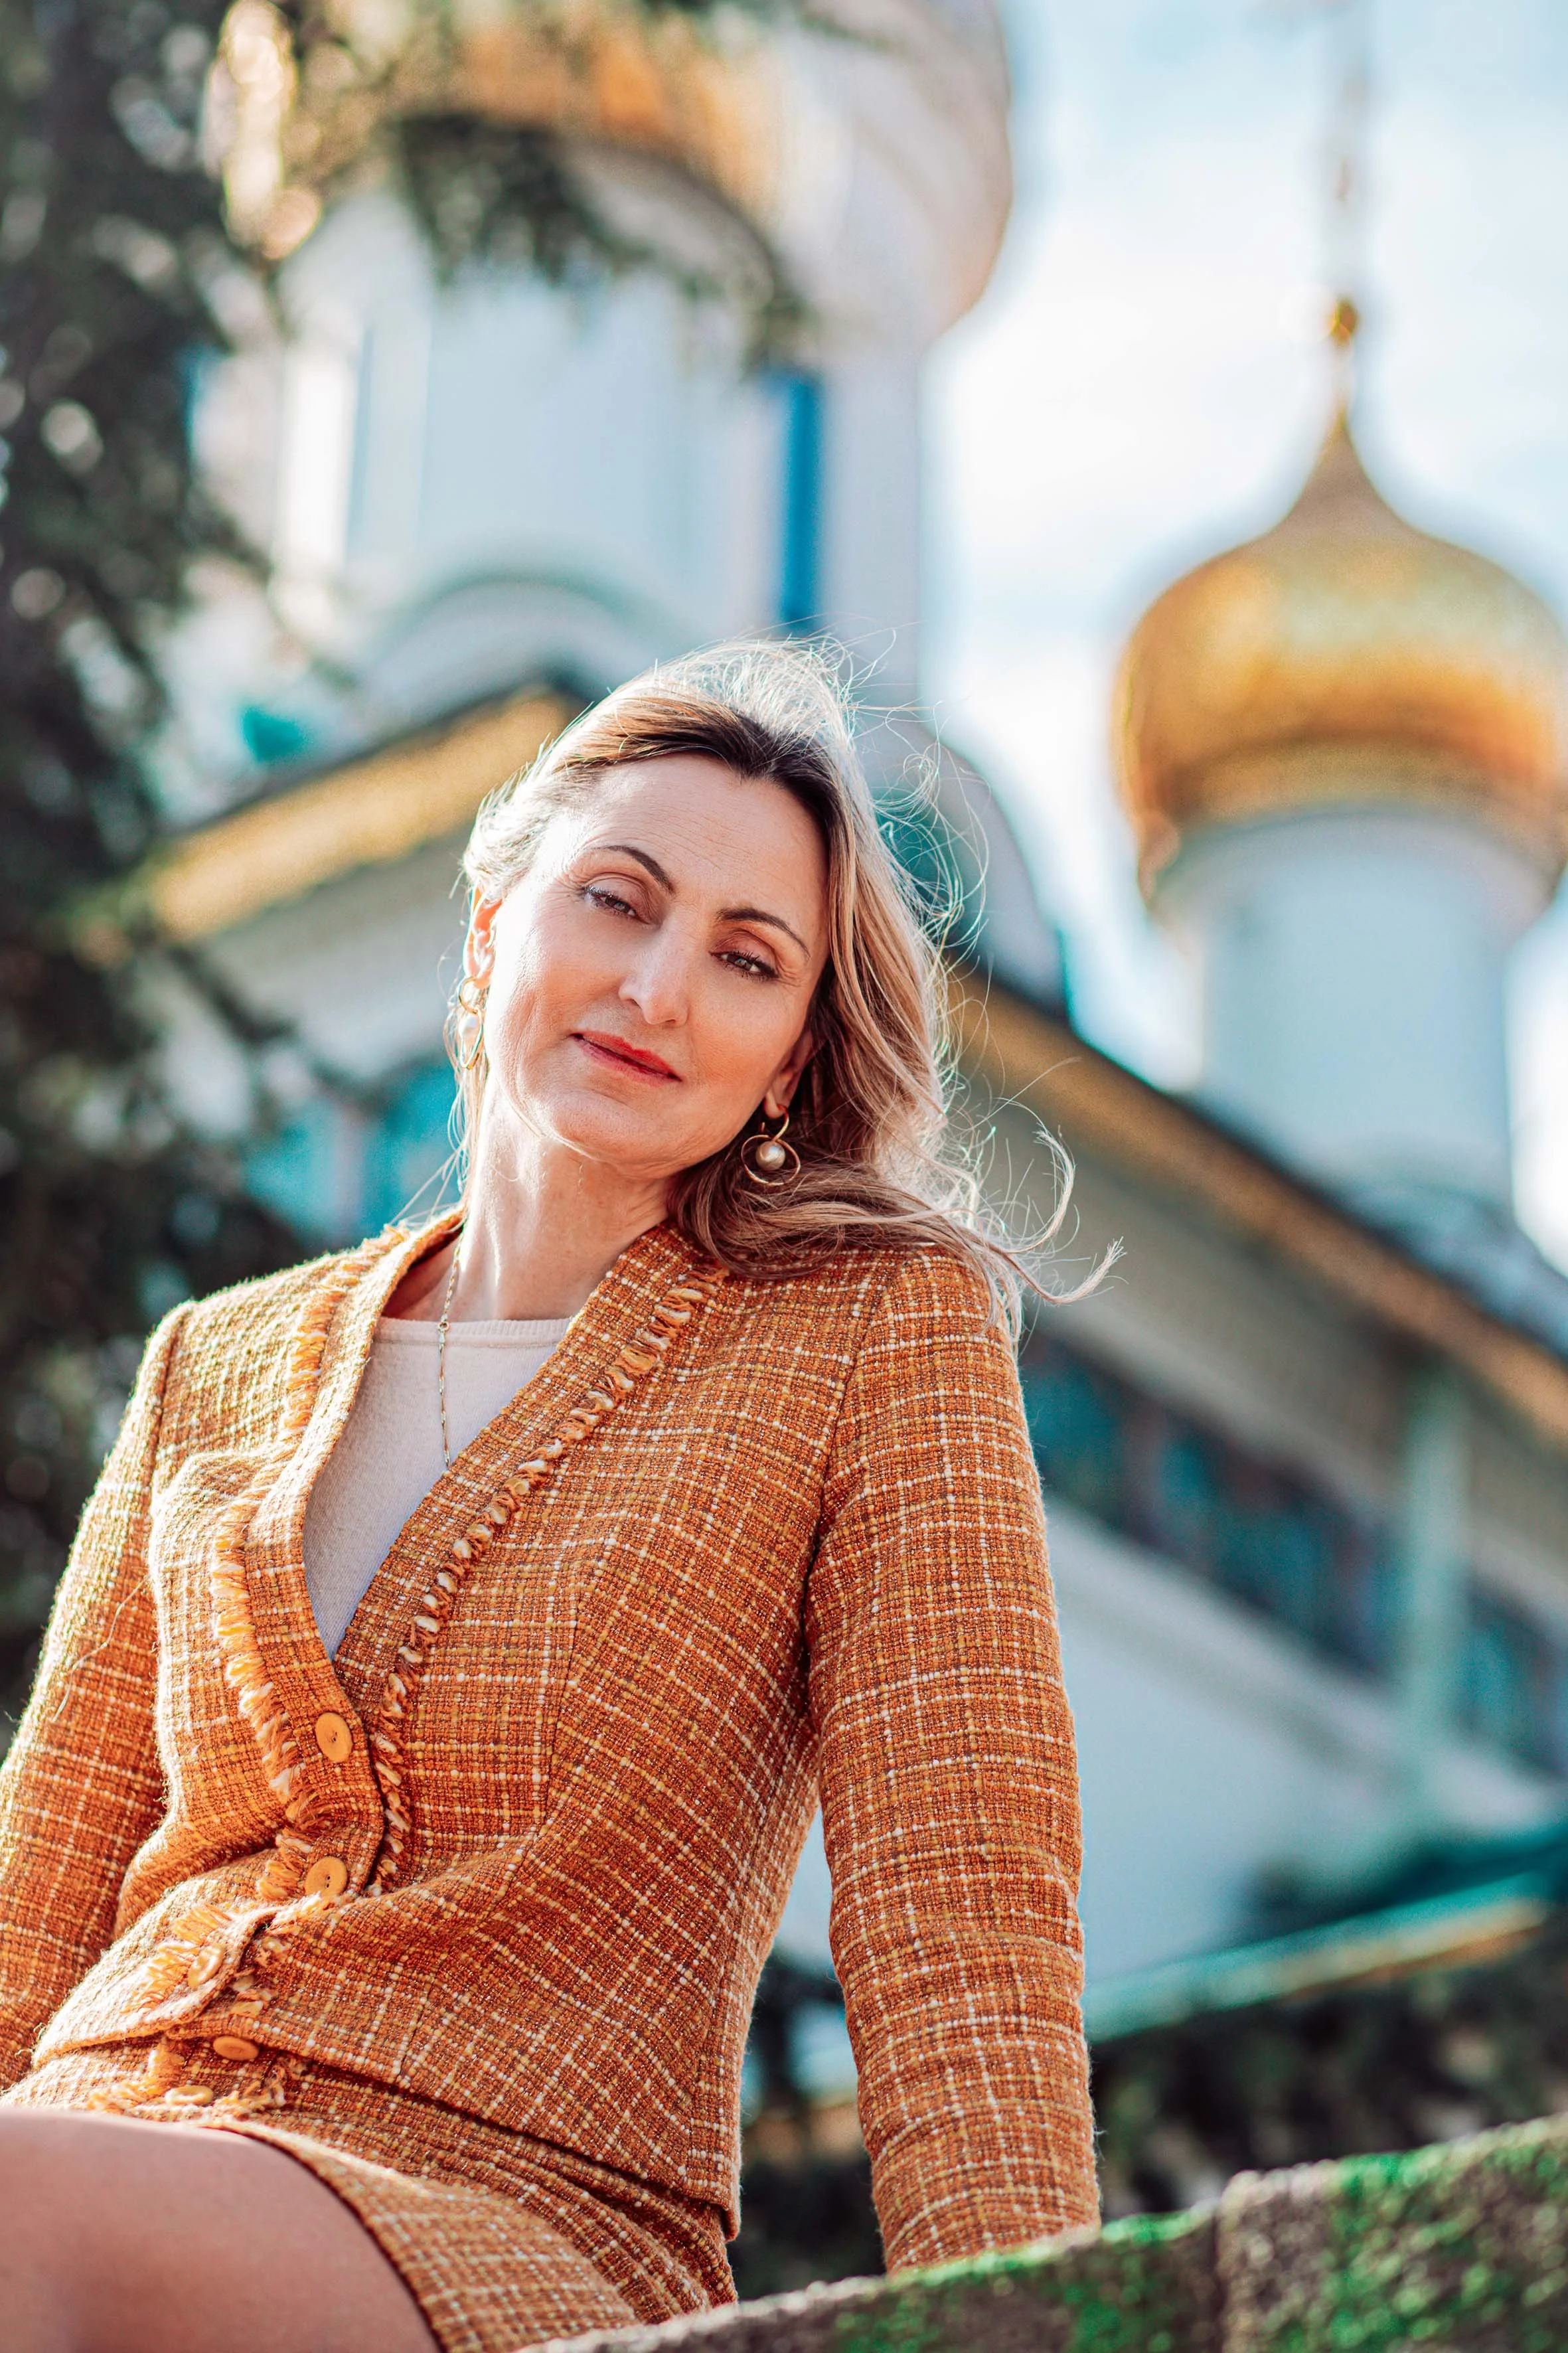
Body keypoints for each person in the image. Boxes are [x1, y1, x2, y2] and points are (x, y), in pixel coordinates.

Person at [0, 643, 1099, 2353]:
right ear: (494, 920)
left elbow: (962, 1920)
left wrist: (1051, 2327)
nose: (659, 988)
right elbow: (34, 1906)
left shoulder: (875, 1337)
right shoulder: (216, 1363)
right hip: (81, 2155)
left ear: (794, 1058)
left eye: (747, 960)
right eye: (617, 899)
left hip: (508, 2221)